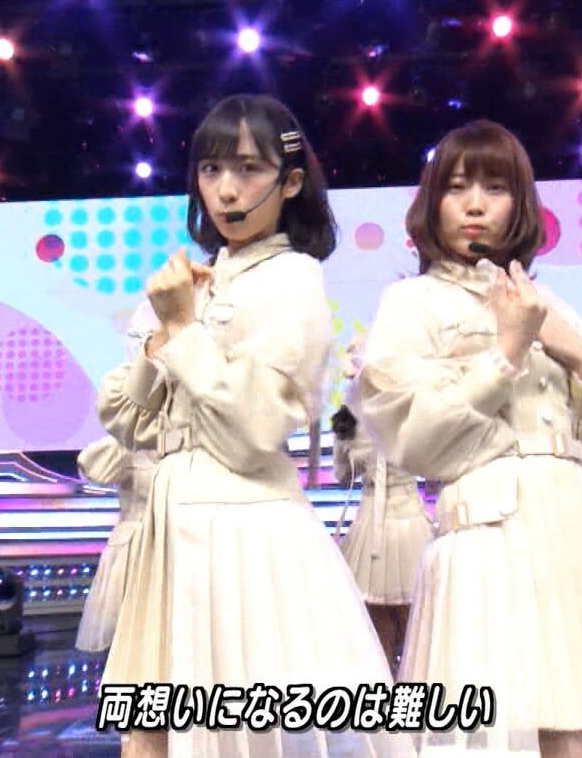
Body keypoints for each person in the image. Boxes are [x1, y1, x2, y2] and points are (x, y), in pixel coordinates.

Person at [96, 94, 411, 758]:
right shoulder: (195, 279)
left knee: (237, 732)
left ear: (290, 182)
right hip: (170, 522)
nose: (226, 190)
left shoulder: (293, 277)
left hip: (240, 525)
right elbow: (124, 415)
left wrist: (180, 330)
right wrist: (166, 333)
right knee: (150, 731)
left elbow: (256, 428)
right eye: (211, 170)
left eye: (248, 168)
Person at [351, 119, 582, 757]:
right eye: (456, 187)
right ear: (431, 202)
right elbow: (418, 438)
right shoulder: (411, 304)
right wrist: (507, 352)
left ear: (521, 205)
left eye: (495, 189)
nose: (474, 206)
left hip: (576, 523)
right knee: (525, 727)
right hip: (489, 528)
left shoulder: (550, 303)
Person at [330, 403, 434, 671]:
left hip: (385, 525)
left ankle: (391, 678)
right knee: (412, 617)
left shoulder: (351, 418)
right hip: (398, 523)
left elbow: (342, 475)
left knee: (383, 620)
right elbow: (432, 465)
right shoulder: (410, 408)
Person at [73, 435, 157, 654]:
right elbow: (92, 467)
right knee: (128, 641)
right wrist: (130, 433)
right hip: (134, 548)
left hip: (179, 547)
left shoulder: (192, 443)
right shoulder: (130, 444)